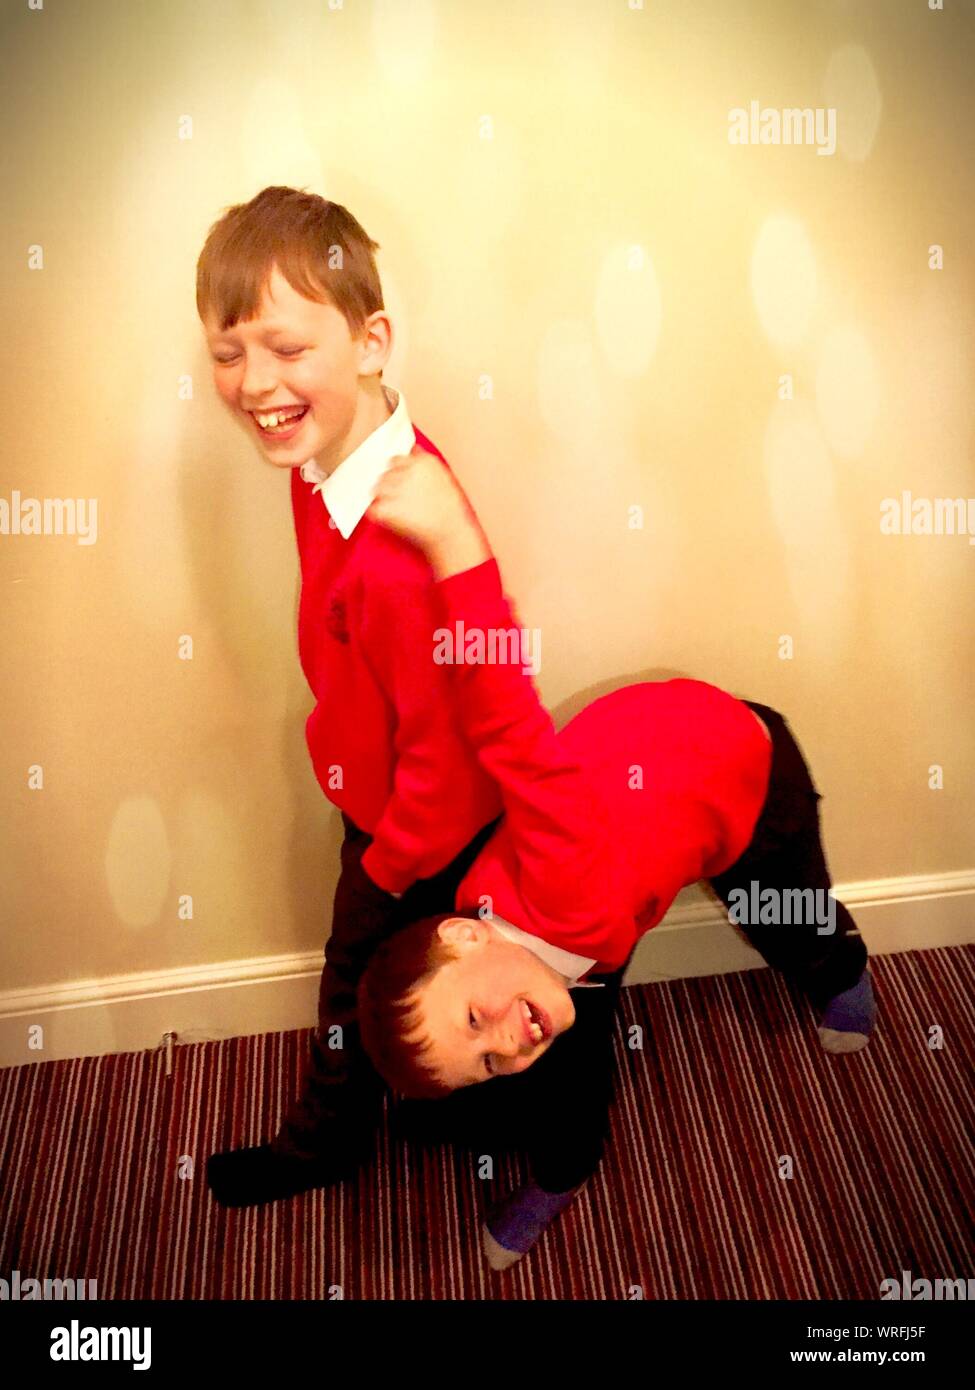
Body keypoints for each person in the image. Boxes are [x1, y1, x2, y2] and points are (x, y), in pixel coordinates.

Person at [358, 446, 877, 1266]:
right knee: (570, 1054)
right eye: (488, 1061)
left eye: (474, 1021)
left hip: (743, 776)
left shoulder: (557, 877)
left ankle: (843, 972)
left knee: (789, 919)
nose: (507, 1041)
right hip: (618, 867)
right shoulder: (491, 934)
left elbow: (501, 721)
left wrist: (455, 548)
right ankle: (569, 1164)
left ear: (462, 935)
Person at [195, 186, 502, 1206]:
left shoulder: (399, 548)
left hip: (420, 819)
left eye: (285, 349)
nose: (253, 384)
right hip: (377, 788)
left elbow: (449, 757)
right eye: (228, 352)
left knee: (363, 977)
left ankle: (334, 1136)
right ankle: (447, 1102)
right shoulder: (324, 454)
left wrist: (385, 861)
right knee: (412, 986)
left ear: (372, 342)